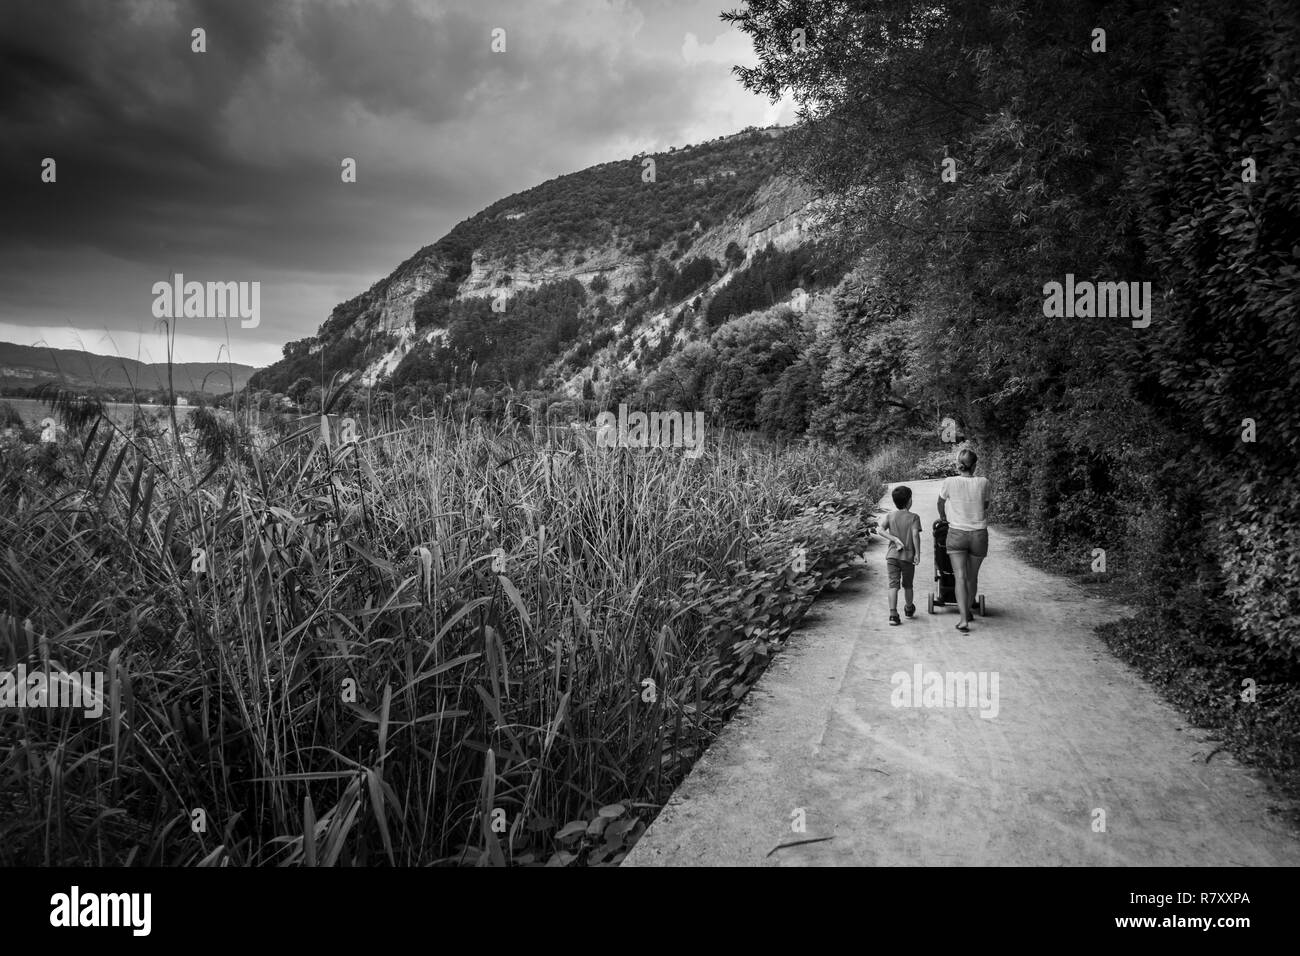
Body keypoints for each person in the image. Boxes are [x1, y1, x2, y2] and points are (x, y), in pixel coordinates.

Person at [937, 449, 990, 633]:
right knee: (971, 577)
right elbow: (985, 506)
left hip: (957, 533)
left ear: (958, 464)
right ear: (975, 465)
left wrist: (944, 518)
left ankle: (963, 619)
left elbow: (940, 502)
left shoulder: (949, 482)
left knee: (959, 576)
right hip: (978, 534)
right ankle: (968, 610)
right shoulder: (984, 482)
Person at [879, 485, 922, 626]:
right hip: (907, 557)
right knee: (908, 585)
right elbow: (915, 535)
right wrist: (917, 554)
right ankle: (909, 609)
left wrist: (893, 539)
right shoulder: (914, 517)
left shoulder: (890, 516)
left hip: (892, 556)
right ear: (909, 500)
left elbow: (880, 530)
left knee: (893, 585)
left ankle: (893, 615)